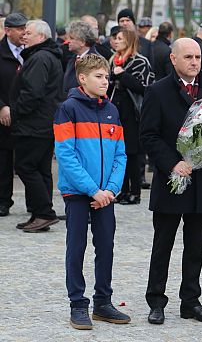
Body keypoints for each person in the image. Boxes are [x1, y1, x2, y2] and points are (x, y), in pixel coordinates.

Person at [141, 38, 202, 324]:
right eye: (189, 57)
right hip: (172, 179)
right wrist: (172, 163)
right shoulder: (158, 91)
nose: (195, 62)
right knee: (163, 244)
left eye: (198, 57)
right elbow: (148, 135)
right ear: (173, 59)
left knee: (196, 246)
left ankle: (190, 301)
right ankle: (156, 301)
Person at [54, 54, 130, 330]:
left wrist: (110, 189)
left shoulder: (112, 110)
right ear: (82, 78)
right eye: (99, 76)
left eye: (107, 76)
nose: (105, 81)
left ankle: (103, 302)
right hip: (78, 192)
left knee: (106, 247)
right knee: (77, 247)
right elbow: (65, 154)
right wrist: (92, 189)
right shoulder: (68, 109)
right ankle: (77, 304)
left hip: (105, 195)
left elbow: (121, 154)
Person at [10, 20, 63, 232]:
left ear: (41, 37)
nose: (24, 35)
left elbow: (32, 93)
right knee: (40, 170)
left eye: (28, 32)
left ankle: (44, 213)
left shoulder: (40, 58)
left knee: (25, 166)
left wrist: (15, 112)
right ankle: (39, 214)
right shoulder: (43, 56)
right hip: (42, 123)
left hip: (34, 124)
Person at [108, 27, 154, 205]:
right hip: (116, 112)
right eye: (115, 38)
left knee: (132, 154)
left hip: (133, 114)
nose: (116, 41)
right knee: (120, 153)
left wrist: (123, 75)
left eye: (120, 38)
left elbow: (145, 88)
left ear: (129, 40)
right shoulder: (114, 60)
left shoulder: (140, 62)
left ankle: (135, 191)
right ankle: (124, 190)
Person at [0, 12, 27, 217]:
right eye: (18, 29)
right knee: (3, 161)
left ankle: (36, 205)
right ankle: (3, 201)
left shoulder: (33, 50)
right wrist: (1, 106)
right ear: (8, 31)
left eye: (24, 28)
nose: (23, 32)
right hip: (4, 116)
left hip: (28, 115)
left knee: (30, 161)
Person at [63, 20, 101, 95]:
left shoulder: (96, 61)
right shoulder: (73, 59)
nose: (68, 41)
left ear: (82, 42)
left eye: (71, 38)